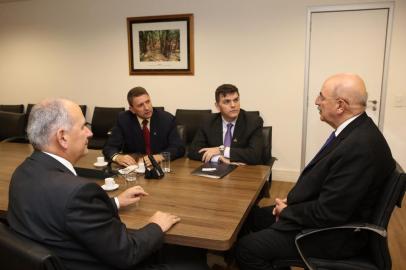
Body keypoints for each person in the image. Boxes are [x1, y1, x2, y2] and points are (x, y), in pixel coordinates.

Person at [7, 98, 208, 270]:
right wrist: (156, 225)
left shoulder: (23, 172)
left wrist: (115, 203)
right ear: (62, 137)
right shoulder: (78, 191)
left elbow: (65, 213)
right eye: (83, 127)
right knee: (193, 262)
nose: (90, 133)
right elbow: (128, 252)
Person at [235, 73, 395, 270]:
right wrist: (291, 202)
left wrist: (288, 211)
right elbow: (330, 189)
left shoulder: (359, 147)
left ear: (340, 105)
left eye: (321, 97)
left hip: (332, 235)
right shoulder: (356, 131)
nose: (317, 102)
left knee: (248, 249)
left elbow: (330, 213)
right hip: (330, 219)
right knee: (248, 218)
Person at [103, 86, 185, 167]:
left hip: (161, 167)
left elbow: (178, 147)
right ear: (132, 109)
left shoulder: (167, 119)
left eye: (148, 102)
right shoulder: (123, 119)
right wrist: (118, 157)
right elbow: (109, 147)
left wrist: (160, 156)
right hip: (134, 167)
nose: (147, 107)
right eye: (140, 105)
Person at [188, 84, 264, 165]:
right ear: (217, 106)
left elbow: (255, 155)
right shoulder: (207, 122)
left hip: (244, 171)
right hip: (215, 170)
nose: (233, 105)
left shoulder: (253, 122)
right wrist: (218, 158)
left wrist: (221, 150)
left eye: (236, 100)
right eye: (227, 101)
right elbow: (193, 151)